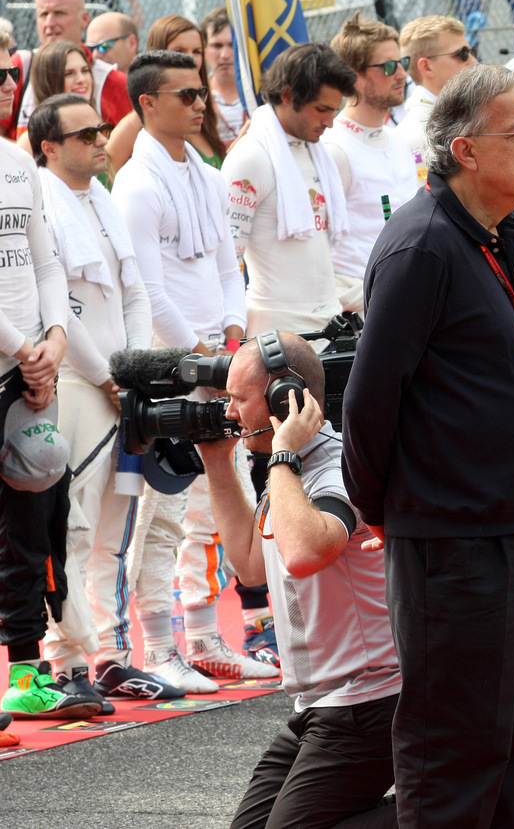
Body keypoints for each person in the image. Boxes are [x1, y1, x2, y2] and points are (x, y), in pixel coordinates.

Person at [341, 62, 514, 829]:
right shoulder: (424, 247)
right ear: (465, 150)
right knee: (455, 753)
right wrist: (395, 511)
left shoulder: (500, 235)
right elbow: (370, 405)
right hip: (455, 541)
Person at [196, 332, 399, 829]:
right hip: (322, 705)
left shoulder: (335, 465)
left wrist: (283, 450)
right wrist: (217, 463)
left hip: (371, 702)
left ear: (282, 398)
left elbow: (308, 551)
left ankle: (453, 809)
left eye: (238, 401)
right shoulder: (288, 474)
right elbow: (249, 565)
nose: (229, 414)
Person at [112, 50, 269, 692]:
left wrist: (230, 341)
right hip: (168, 364)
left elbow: (230, 267)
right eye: (184, 95)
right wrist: (195, 365)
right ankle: (156, 647)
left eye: (201, 93)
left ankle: (205, 638)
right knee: (160, 508)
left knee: (214, 499)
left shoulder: (205, 174)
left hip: (216, 356)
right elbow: (148, 291)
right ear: (146, 103)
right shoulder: (136, 184)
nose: (200, 103)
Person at [31, 94, 185, 704]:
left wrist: (133, 367)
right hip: (75, 383)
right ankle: (63, 664)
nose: (101, 139)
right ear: (48, 146)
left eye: (101, 129)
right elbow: (58, 308)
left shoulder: (103, 197)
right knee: (72, 525)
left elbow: (136, 289)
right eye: (85, 133)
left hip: (123, 380)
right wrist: (105, 376)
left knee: (117, 524)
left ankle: (112, 657)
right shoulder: (41, 200)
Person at [0, 43, 98, 721]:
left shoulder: (14, 164)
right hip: (20, 358)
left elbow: (46, 265)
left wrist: (54, 339)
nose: (6, 82)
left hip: (29, 368)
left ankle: (28, 674)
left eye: (9, 71)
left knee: (35, 518)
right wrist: (26, 347)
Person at [222, 43, 355, 338]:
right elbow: (226, 263)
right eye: (321, 110)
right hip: (275, 335)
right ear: (287, 95)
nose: (330, 123)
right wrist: (230, 348)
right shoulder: (251, 158)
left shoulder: (317, 152)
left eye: (335, 111)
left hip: (329, 324)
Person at [323, 14, 419, 314]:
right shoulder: (334, 149)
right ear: (354, 76)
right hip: (361, 313)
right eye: (389, 67)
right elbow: (317, 253)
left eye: (402, 62)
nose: (402, 74)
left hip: (407, 301)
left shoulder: (398, 140)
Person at [107, 14, 228, 173]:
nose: (191, 59)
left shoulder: (201, 110)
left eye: (197, 51)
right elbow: (104, 175)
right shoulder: (140, 119)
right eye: (180, 51)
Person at [9, 0, 132, 137]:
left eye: (60, 13)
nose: (50, 23)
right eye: (43, 14)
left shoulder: (112, 80)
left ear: (85, 19)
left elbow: (129, 147)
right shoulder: (20, 66)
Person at [393, 15, 477, 183]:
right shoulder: (417, 134)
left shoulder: (453, 117)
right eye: (462, 54)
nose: (474, 62)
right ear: (426, 67)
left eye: (471, 52)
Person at [202, 7, 248, 146]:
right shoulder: (196, 96)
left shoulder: (258, 94)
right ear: (204, 49)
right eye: (217, 46)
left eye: (231, 45)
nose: (225, 55)